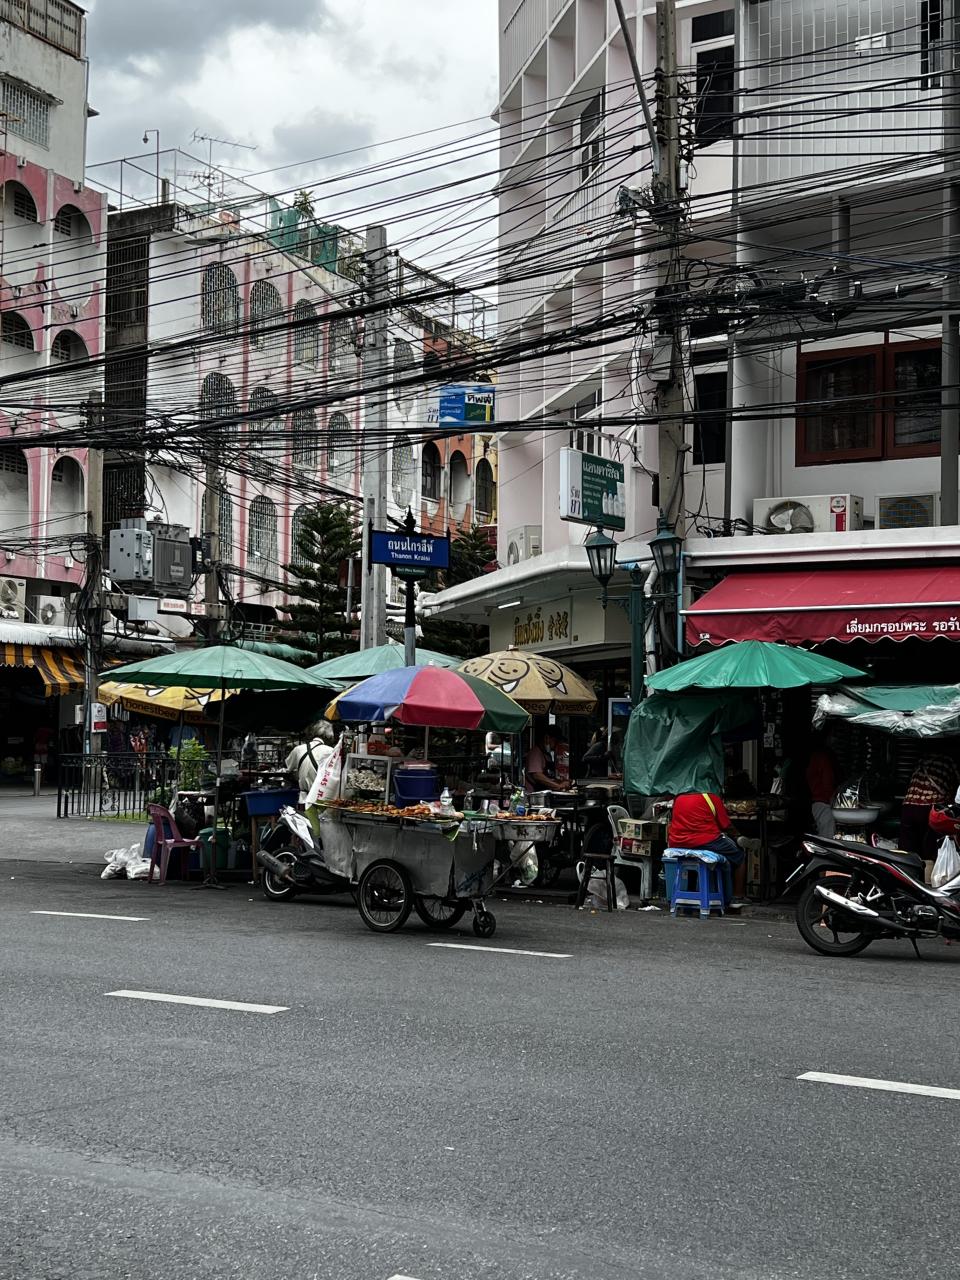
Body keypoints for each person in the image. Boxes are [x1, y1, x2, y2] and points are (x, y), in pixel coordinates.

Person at [667, 789, 748, 908]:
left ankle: (691, 892)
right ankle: (738, 896)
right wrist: (738, 835)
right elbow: (725, 825)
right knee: (740, 856)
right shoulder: (711, 798)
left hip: (678, 841)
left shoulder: (679, 798)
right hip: (705, 839)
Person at [899, 752, 958, 873]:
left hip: (908, 806)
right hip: (929, 808)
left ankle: (907, 878)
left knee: (908, 850)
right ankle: (927, 883)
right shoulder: (950, 760)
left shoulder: (923, 758)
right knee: (929, 849)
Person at [805, 733, 836, 839]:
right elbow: (827, 784)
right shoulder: (823, 759)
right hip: (824, 804)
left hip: (816, 803)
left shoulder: (813, 757)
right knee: (827, 842)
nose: (834, 740)